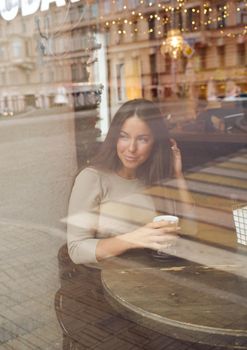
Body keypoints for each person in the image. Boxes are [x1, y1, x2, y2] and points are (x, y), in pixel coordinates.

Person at [67, 98, 192, 266]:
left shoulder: (155, 178)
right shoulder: (92, 178)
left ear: (155, 143)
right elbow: (77, 249)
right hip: (104, 284)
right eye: (124, 137)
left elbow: (192, 230)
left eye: (142, 139)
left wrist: (177, 175)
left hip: (152, 278)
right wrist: (133, 239)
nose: (131, 148)